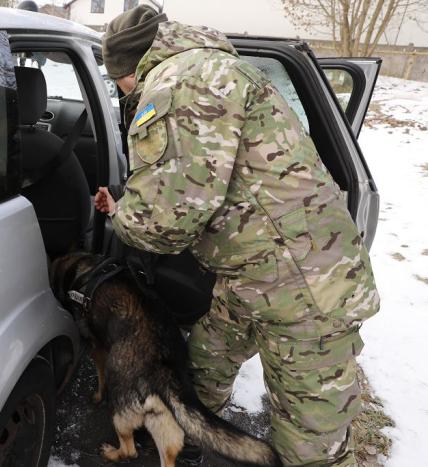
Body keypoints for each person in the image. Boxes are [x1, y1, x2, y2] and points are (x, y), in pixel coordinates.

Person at [94, 5, 380, 466]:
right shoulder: (214, 67)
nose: (125, 93)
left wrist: (120, 215)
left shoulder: (178, 84)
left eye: (118, 83)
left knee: (311, 441)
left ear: (127, 70)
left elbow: (165, 223)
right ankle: (188, 440)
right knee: (205, 361)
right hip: (256, 270)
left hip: (306, 284)